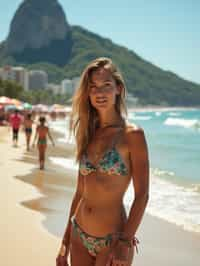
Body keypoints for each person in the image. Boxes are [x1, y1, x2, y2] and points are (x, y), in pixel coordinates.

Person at [56, 57, 149, 266]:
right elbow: (80, 192)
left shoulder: (132, 135)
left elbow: (142, 195)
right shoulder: (88, 133)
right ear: (87, 94)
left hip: (112, 241)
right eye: (93, 87)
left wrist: (125, 242)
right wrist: (65, 241)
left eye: (106, 85)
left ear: (118, 88)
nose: (100, 93)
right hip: (78, 233)